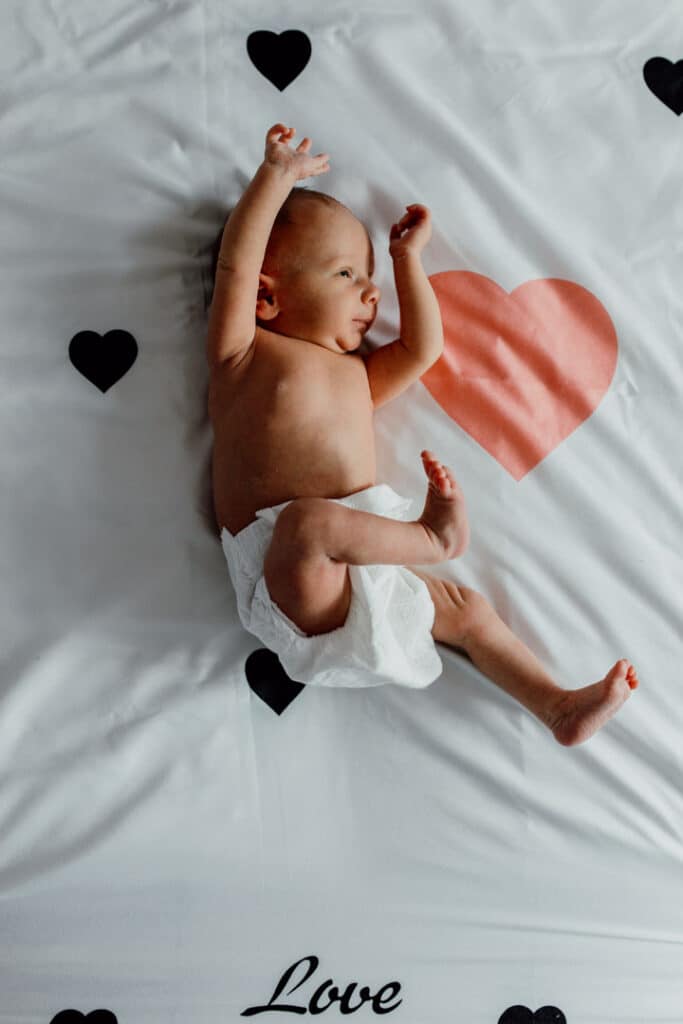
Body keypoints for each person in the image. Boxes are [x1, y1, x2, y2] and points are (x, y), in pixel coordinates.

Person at [207, 123, 638, 745]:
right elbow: (236, 265)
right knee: (308, 524)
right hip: (291, 574)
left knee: (470, 616)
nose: (370, 292)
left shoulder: (359, 377)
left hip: (371, 564)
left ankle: (555, 705)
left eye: (371, 278)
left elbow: (421, 346)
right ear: (267, 299)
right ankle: (433, 539)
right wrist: (273, 179)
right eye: (346, 274)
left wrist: (408, 262)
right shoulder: (242, 355)